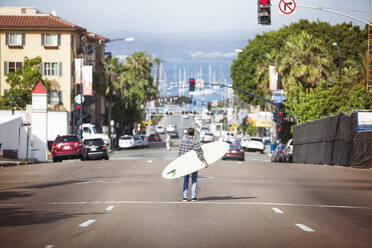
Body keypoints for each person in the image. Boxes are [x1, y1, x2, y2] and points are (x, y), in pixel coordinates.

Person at [178, 127, 209, 202]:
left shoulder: (183, 141)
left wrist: (179, 163)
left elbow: (180, 152)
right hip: (193, 164)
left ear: (187, 133)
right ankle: (193, 197)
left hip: (185, 163)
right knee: (194, 179)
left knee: (186, 179)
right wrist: (204, 162)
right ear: (193, 133)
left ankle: (185, 197)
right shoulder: (195, 142)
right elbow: (199, 153)